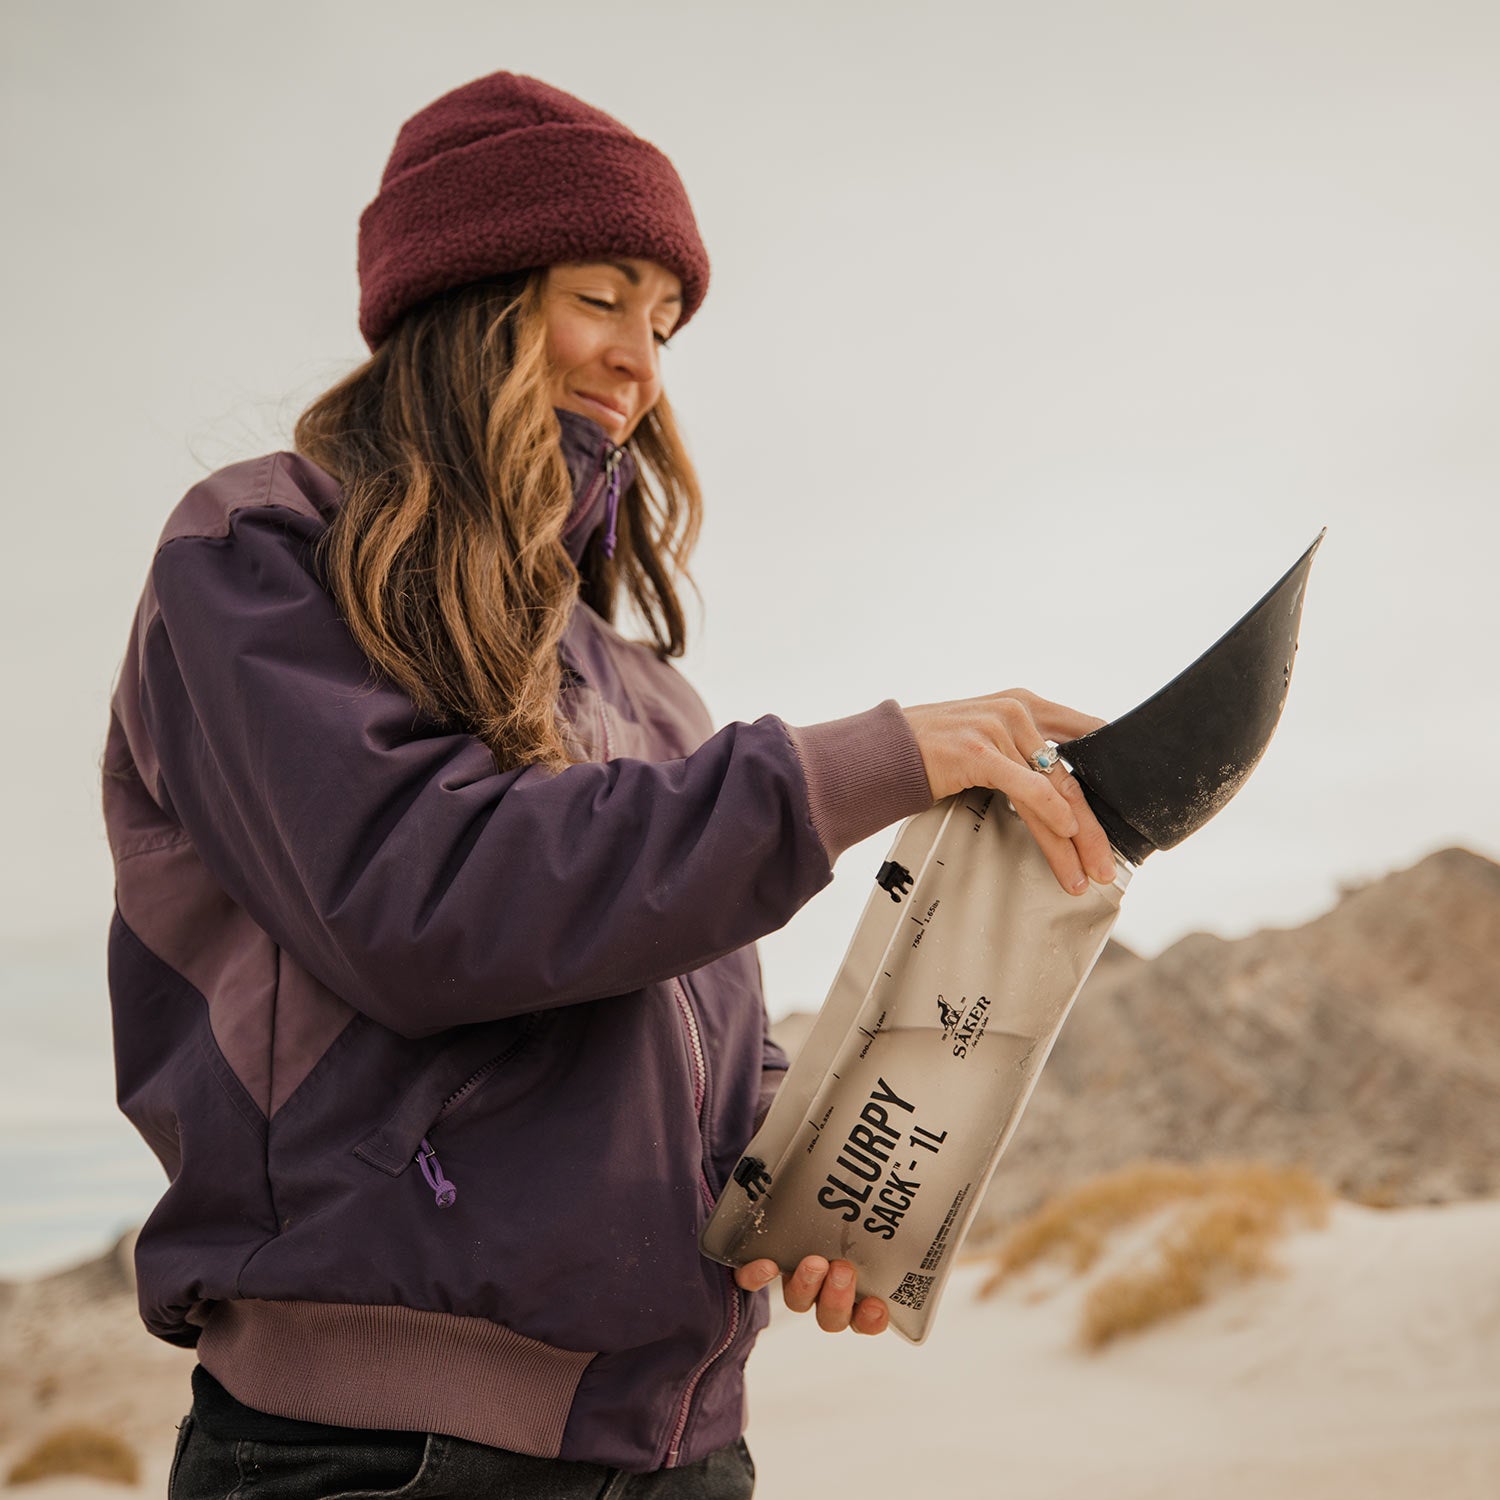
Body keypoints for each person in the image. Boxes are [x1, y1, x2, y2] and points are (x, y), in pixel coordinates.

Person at [102, 71, 1115, 1499]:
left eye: (665, 320)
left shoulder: (641, 682)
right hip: (382, 1456)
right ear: (472, 292)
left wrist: (810, 1175)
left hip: (680, 1450)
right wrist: (874, 758)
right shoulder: (263, 552)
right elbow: (423, 897)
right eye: (604, 295)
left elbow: (687, 1030)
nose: (640, 359)